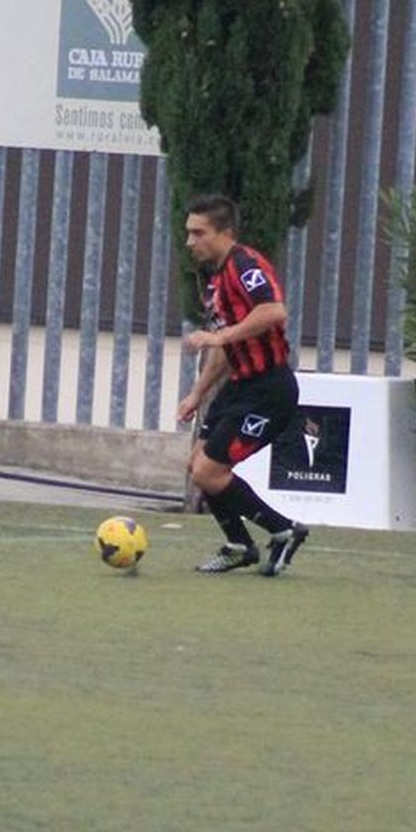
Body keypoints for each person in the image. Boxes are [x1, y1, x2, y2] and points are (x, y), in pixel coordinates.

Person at [175, 193, 309, 575]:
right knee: (198, 465)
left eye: (198, 233)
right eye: (188, 233)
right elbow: (226, 342)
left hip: (269, 390)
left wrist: (220, 337)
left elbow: (274, 310)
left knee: (209, 472)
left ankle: (283, 530)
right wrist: (197, 393)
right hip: (239, 387)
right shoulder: (216, 279)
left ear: (224, 233)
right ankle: (239, 545)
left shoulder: (245, 265)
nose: (190, 242)